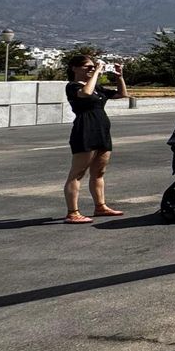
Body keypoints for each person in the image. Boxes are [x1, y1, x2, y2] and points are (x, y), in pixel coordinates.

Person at [63, 52, 128, 223]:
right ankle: (72, 212)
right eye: (88, 67)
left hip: (102, 131)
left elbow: (122, 94)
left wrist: (119, 77)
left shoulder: (97, 88)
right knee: (78, 173)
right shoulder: (73, 86)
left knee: (99, 172)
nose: (92, 69)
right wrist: (97, 72)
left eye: (93, 66)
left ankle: (100, 206)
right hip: (85, 130)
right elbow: (85, 93)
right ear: (74, 68)